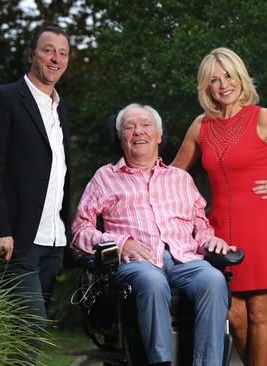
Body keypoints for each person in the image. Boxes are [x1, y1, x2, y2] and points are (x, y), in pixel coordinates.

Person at [171, 47, 267, 365]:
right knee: (234, 314)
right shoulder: (200, 126)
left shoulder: (262, 117)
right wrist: (132, 174)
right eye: (214, 79)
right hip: (220, 233)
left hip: (263, 226)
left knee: (258, 312)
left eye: (229, 75)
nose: (223, 84)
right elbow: (173, 175)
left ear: (240, 78)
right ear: (206, 87)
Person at [72, 103, 236, 366]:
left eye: (146, 125)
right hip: (137, 264)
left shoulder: (180, 179)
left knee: (214, 279)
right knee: (152, 280)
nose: (139, 132)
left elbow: (201, 227)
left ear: (159, 136)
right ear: (121, 137)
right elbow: (80, 231)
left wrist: (211, 240)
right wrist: (120, 244)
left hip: (184, 259)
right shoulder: (105, 177)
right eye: (130, 126)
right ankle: (160, 362)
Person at [0, 26, 72, 337]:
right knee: (31, 330)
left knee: (15, 336)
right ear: (31, 55)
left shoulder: (60, 107)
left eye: (63, 53)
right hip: (17, 239)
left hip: (53, 242)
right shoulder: (2, 98)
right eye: (48, 50)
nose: (55, 58)